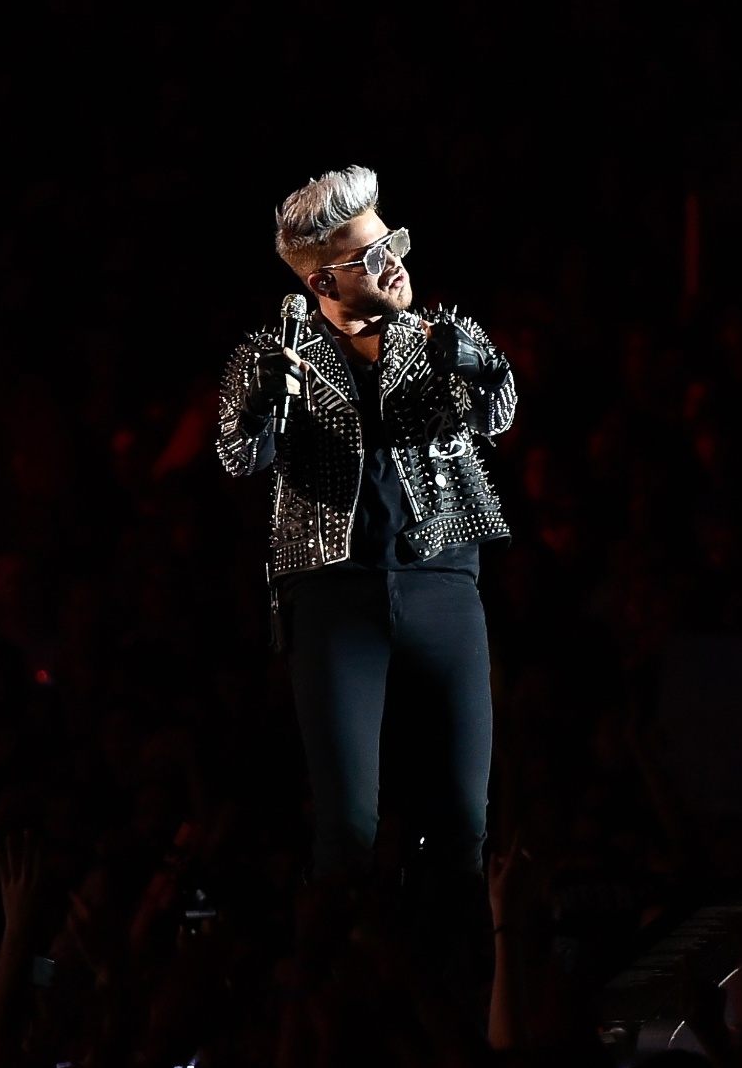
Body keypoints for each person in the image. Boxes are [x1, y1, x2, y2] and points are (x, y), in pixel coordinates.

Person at [215, 166, 517, 896]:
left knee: (462, 821)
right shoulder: (275, 356)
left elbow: (498, 410)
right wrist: (260, 404)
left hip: (442, 580)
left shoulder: (443, 335)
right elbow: (236, 453)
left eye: (394, 244)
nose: (396, 264)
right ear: (324, 284)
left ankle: (454, 981)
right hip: (332, 597)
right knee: (348, 826)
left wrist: (478, 364)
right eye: (372, 257)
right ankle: (335, 991)